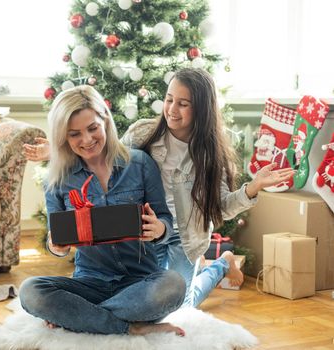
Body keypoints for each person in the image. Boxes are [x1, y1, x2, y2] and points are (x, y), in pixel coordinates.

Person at [22, 68, 294, 308]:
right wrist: (58, 152)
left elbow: (222, 207)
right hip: (145, 233)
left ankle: (221, 264)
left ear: (201, 108)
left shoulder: (211, 155)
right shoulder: (143, 133)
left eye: (183, 104)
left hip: (183, 239)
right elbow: (111, 154)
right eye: (169, 99)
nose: (172, 109)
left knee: (179, 306)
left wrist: (253, 187)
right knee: (148, 299)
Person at [19, 85, 186, 336]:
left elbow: (164, 219)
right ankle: (129, 328)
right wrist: (57, 246)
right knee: (31, 291)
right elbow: (56, 241)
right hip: (90, 282)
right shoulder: (57, 179)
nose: (86, 140)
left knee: (173, 285)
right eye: (74, 134)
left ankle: (81, 317)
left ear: (105, 120)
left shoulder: (140, 163)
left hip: (141, 284)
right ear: (63, 137)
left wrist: (159, 228)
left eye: (92, 128)